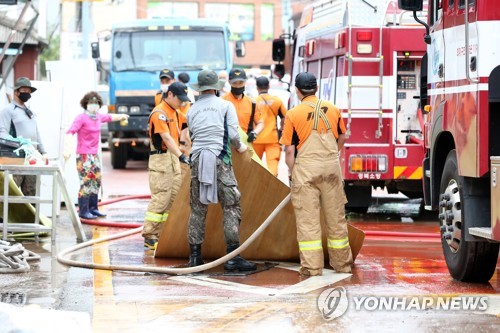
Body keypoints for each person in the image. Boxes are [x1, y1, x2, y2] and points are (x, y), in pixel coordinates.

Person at [279, 72, 353, 276]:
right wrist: (331, 155)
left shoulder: (293, 114)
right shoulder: (334, 109)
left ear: (297, 90)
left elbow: (289, 150)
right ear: (316, 89)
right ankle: (342, 265)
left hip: (306, 169)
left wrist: (293, 174)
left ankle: (312, 268)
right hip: (331, 167)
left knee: (308, 221)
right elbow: (342, 136)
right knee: (336, 219)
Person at [186, 69, 256, 271]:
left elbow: (192, 135)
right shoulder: (226, 106)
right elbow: (234, 135)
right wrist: (242, 148)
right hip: (220, 159)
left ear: (199, 89)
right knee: (231, 205)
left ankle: (195, 258)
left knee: (197, 209)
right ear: (216, 88)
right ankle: (233, 257)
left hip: (198, 159)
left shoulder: (191, 110)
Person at [143, 82, 191, 250]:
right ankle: (149, 235)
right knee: (161, 198)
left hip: (173, 161)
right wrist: (182, 156)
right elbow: (167, 138)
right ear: (170, 95)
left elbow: (188, 124)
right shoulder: (159, 114)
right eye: (180, 99)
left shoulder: (176, 113)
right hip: (162, 160)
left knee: (173, 199)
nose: (183, 103)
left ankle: (164, 233)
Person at [66, 92, 129, 219]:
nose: (93, 105)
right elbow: (70, 131)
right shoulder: (81, 118)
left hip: (94, 155)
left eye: (96, 103)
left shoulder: (98, 117)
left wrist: (122, 116)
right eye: (90, 103)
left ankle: (93, 208)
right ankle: (83, 210)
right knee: (86, 182)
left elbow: (110, 117)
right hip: (84, 155)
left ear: (99, 105)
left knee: (96, 181)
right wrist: (67, 148)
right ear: (85, 104)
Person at [0, 77, 47, 196]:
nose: (27, 93)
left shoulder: (29, 111)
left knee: (32, 192)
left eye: (29, 91)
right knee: (12, 193)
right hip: (16, 158)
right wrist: (18, 143)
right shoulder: (8, 110)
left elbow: (36, 133)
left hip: (32, 158)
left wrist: (43, 152)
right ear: (16, 91)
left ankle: (31, 215)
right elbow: (2, 133)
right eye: (24, 90)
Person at [252, 76, 287, 177]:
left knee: (255, 166)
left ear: (257, 87)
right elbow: (285, 117)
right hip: (272, 138)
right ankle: (272, 187)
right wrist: (281, 129)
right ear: (268, 86)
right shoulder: (277, 101)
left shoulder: (253, 101)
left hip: (256, 138)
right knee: (273, 165)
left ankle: (257, 187)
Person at [222, 68, 264, 143]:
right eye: (234, 83)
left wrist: (255, 133)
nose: (238, 86)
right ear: (229, 82)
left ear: (245, 82)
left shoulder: (252, 103)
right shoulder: (222, 101)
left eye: (240, 82)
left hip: (246, 145)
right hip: (226, 145)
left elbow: (260, 123)